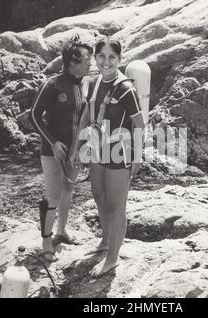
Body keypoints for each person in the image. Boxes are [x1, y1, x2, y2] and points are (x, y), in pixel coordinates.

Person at [72, 39, 145, 277]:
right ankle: (105, 240)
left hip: (119, 150)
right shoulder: (93, 82)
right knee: (98, 194)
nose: (106, 61)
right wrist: (77, 147)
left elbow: (139, 124)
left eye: (111, 57)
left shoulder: (126, 88)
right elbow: (85, 115)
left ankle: (112, 259)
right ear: (95, 59)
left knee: (116, 207)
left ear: (119, 59)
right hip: (96, 146)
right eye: (101, 56)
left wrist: (136, 158)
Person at [31, 37, 93, 262]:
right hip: (53, 150)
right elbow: (34, 116)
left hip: (76, 149)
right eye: (87, 59)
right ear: (72, 62)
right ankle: (46, 243)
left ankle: (62, 231)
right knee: (53, 196)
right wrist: (53, 142)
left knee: (69, 189)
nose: (90, 63)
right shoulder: (53, 84)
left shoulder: (86, 83)